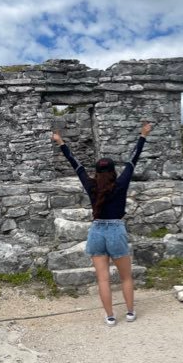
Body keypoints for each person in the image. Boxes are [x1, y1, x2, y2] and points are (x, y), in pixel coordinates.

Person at [52, 122, 152, 326]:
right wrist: (142, 135)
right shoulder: (121, 183)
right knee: (125, 277)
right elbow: (133, 159)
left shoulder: (91, 185)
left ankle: (110, 316)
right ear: (114, 171)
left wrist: (61, 142)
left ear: (96, 172)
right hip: (116, 230)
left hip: (97, 231)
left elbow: (76, 165)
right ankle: (130, 312)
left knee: (103, 279)